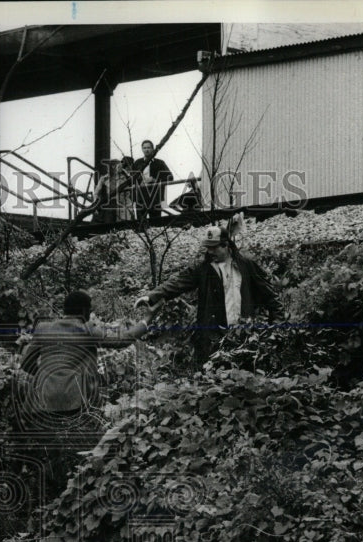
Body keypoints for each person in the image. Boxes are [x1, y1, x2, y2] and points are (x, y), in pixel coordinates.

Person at [18, 290, 160, 491]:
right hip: (73, 403)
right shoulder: (87, 329)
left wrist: (46, 378)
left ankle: (47, 495)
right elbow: (123, 340)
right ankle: (75, 494)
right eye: (90, 310)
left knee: (48, 457)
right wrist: (148, 318)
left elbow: (25, 363)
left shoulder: (43, 328)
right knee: (81, 456)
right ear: (84, 311)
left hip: (38, 404)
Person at [134, 213, 281, 366]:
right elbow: (178, 282)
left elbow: (270, 296)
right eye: (208, 247)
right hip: (212, 341)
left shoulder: (246, 265)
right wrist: (151, 296)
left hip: (244, 337)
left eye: (214, 247)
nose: (210, 251)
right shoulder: (203, 269)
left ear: (226, 245)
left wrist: (275, 327)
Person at [131, 140, 173, 222]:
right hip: (141, 197)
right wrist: (139, 183)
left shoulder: (159, 163)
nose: (146, 150)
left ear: (153, 149)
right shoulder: (137, 163)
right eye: (144, 148)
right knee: (140, 223)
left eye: (149, 148)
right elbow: (131, 180)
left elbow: (170, 177)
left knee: (156, 223)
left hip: (155, 197)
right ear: (142, 149)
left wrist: (155, 180)